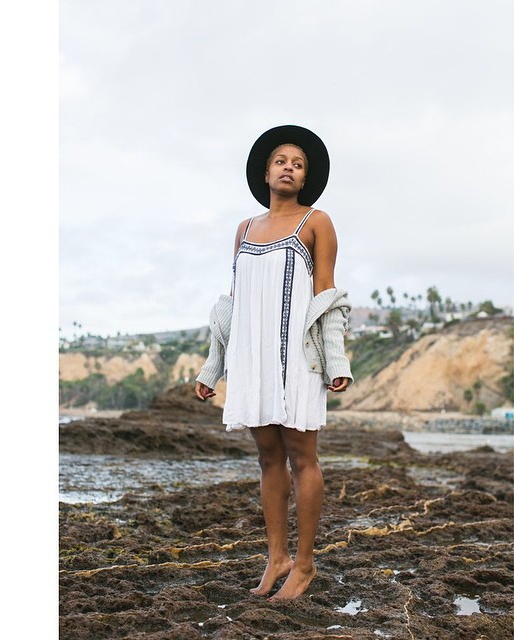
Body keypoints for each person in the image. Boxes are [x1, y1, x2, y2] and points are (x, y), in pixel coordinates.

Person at [195, 124, 353, 600]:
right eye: (281, 161)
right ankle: (276, 557)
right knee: (268, 458)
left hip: (298, 360)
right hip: (253, 360)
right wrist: (213, 367)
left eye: (298, 164)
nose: (289, 168)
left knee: (303, 458)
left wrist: (336, 361)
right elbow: (234, 303)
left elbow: (327, 297)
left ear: (305, 178)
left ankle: (304, 565)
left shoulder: (317, 222)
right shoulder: (244, 230)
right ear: (266, 173)